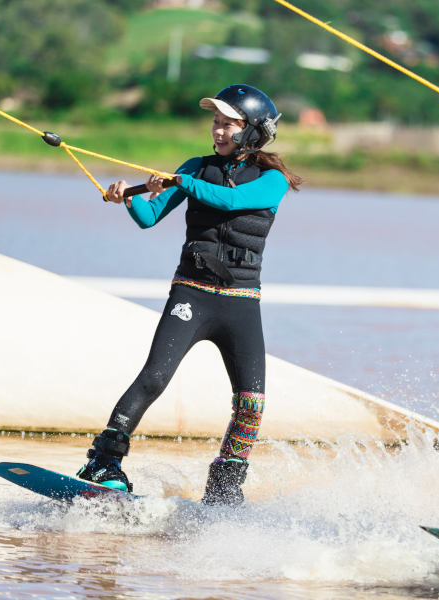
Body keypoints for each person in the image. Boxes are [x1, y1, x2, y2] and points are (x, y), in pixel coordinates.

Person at [77, 84, 303, 506]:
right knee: (154, 378)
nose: (217, 131)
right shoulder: (196, 168)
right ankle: (103, 463)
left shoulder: (272, 181)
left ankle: (225, 486)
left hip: (241, 303)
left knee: (251, 403)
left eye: (228, 124)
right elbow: (149, 217)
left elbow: (232, 199)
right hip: (192, 293)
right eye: (215, 122)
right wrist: (127, 197)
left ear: (253, 131)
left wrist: (183, 180)